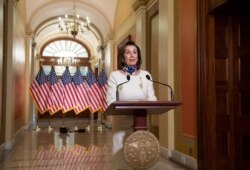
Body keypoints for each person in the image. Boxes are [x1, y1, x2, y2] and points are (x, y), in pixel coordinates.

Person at [106, 40, 157, 170]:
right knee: (122, 164)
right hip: (121, 127)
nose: (132, 55)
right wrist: (141, 102)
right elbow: (111, 102)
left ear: (138, 56)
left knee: (140, 161)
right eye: (128, 53)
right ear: (123, 57)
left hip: (141, 126)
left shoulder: (146, 75)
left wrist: (145, 102)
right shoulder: (115, 76)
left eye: (135, 52)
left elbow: (153, 100)